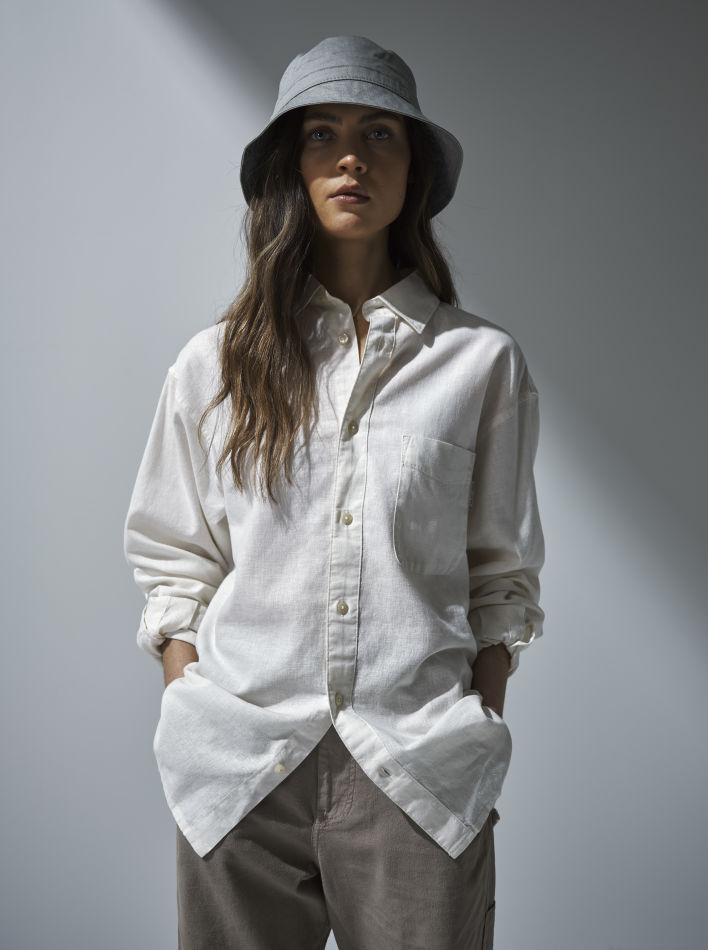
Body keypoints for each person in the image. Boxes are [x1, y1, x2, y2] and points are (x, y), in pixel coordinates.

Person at [123, 34, 544, 950]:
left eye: (379, 133)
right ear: (292, 165)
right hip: (241, 771)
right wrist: (193, 709)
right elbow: (174, 556)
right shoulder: (214, 366)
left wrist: (473, 723)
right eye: (323, 134)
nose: (351, 157)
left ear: (414, 168)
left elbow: (500, 575)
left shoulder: (481, 363)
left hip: (418, 770)